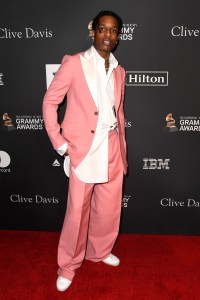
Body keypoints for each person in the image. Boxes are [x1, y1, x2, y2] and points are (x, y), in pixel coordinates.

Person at [42, 10, 127, 292]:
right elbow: (50, 102)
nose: (108, 35)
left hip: (112, 145)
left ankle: (100, 251)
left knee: (109, 208)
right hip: (83, 149)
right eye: (103, 29)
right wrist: (60, 143)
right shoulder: (74, 63)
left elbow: (118, 111)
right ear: (93, 31)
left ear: (118, 36)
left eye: (113, 31)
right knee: (77, 212)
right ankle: (68, 264)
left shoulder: (119, 70)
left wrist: (122, 147)